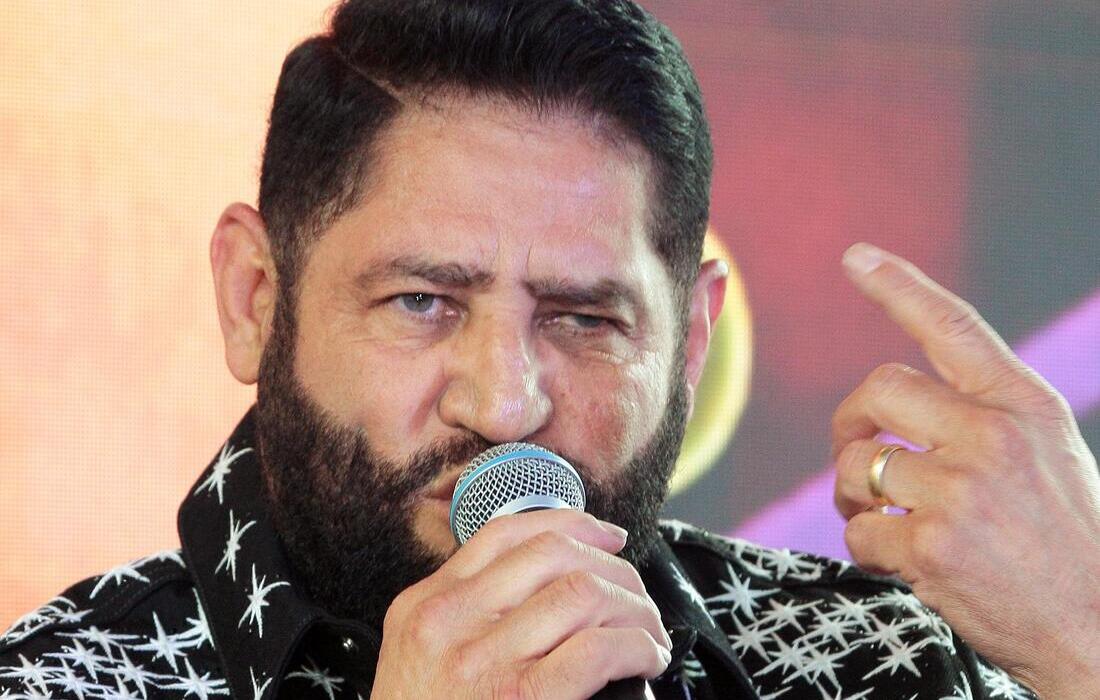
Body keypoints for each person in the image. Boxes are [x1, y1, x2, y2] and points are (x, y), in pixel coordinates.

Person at [2, 1, 1096, 698]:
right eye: (423, 302)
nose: (506, 406)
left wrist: (1082, 636)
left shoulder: (876, 662)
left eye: (582, 320)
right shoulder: (64, 683)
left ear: (689, 342)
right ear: (254, 299)